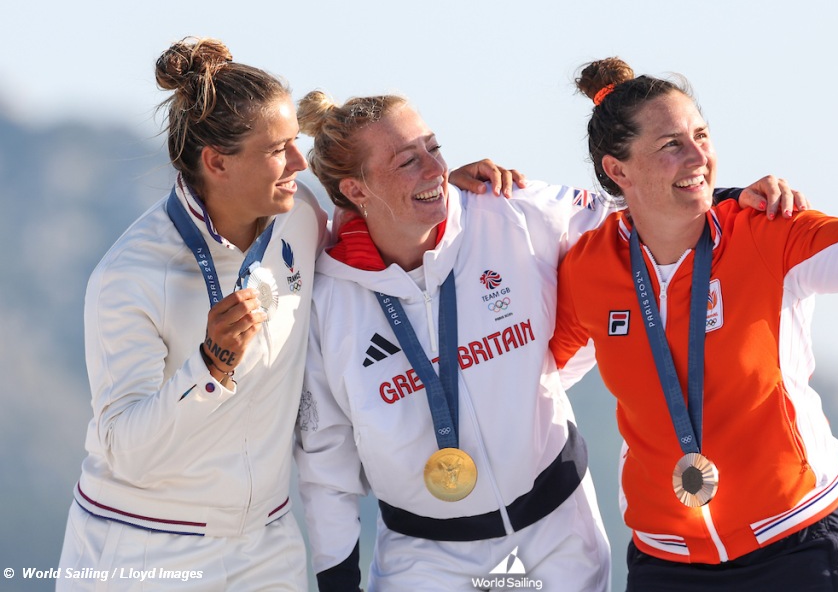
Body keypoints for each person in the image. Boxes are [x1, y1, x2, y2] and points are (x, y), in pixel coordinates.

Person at [293, 87, 808, 592]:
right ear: (357, 190)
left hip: (557, 535)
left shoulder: (509, 210)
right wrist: (338, 579)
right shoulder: (328, 300)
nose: (435, 170)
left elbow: (636, 213)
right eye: (408, 161)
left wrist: (728, 198)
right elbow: (325, 460)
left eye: (434, 148)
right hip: (426, 557)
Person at [56, 36, 511, 592]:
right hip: (144, 547)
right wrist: (211, 367)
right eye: (278, 150)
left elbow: (376, 234)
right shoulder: (129, 276)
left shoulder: (300, 217)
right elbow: (126, 451)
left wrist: (440, 193)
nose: (300, 161)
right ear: (217, 162)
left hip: (267, 543)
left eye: (295, 141)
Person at [550, 57, 838, 591]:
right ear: (619, 170)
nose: (698, 156)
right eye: (671, 145)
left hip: (798, 541)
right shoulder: (588, 267)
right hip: (667, 558)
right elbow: (536, 373)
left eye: (701, 135)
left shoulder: (764, 233)